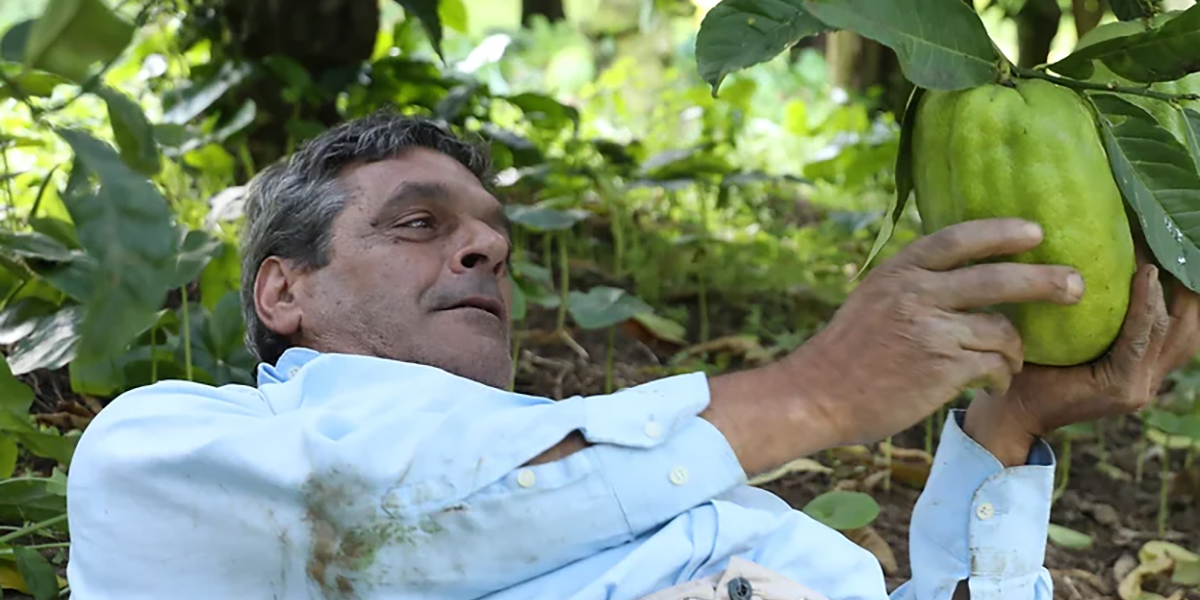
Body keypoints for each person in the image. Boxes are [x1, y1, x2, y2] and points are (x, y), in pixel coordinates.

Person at [64, 111, 1200, 600]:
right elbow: (377, 524)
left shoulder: (667, 484)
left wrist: (1011, 427)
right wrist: (815, 393)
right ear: (283, 289)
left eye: (495, 240)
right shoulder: (165, 447)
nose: (484, 249)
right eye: (417, 224)